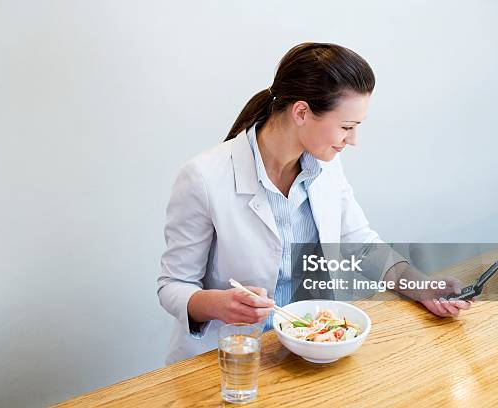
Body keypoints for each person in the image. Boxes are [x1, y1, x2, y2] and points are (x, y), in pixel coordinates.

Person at [157, 42, 471, 364]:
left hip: (307, 349)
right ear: (302, 113)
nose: (353, 141)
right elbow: (174, 285)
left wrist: (421, 286)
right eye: (347, 127)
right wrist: (218, 304)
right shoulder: (203, 177)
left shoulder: (326, 165)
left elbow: (361, 246)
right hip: (231, 358)